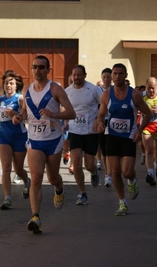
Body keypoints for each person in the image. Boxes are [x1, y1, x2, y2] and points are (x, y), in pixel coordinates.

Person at [12, 55, 76, 233]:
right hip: (34, 141)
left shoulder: (55, 89)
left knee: (53, 177)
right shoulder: (27, 89)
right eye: (34, 67)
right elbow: (25, 111)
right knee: (37, 177)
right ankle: (35, 217)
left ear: (48, 70)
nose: (37, 70)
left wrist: (53, 114)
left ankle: (59, 188)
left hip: (54, 140)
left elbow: (72, 113)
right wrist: (19, 117)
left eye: (41, 67)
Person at [96, 63, 151, 216]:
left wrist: (140, 130)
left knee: (126, 171)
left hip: (128, 136)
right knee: (114, 172)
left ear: (125, 76)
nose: (117, 76)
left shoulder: (134, 95)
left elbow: (148, 114)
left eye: (121, 73)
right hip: (111, 135)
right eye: (115, 73)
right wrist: (100, 122)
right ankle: (122, 203)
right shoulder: (107, 94)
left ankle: (132, 181)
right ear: (112, 76)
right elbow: (101, 114)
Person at [64, 64, 102, 205]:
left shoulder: (93, 89)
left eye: (79, 75)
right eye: (74, 75)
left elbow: (103, 104)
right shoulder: (67, 91)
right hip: (75, 131)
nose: (76, 77)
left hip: (90, 131)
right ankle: (82, 193)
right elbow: (66, 108)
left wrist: (98, 119)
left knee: (89, 164)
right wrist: (65, 122)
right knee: (77, 163)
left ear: (84, 75)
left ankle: (93, 172)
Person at [0, 71, 30, 209]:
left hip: (19, 136)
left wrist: (15, 114)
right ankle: (7, 198)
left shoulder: (20, 99)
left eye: (12, 83)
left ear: (16, 85)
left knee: (18, 169)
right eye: (7, 83)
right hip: (3, 135)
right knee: (6, 167)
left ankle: (27, 181)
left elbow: (26, 115)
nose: (9, 85)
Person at [97, 67, 113, 187]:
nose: (106, 79)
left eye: (108, 77)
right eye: (104, 77)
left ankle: (111, 173)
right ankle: (108, 175)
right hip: (102, 122)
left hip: (113, 123)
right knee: (104, 149)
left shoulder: (116, 90)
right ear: (102, 78)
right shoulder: (97, 91)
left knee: (111, 150)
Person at [62, 74, 74, 174]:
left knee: (74, 145)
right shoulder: (65, 92)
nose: (72, 83)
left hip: (76, 123)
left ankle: (72, 165)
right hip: (66, 121)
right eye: (70, 81)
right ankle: (66, 153)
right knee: (65, 143)